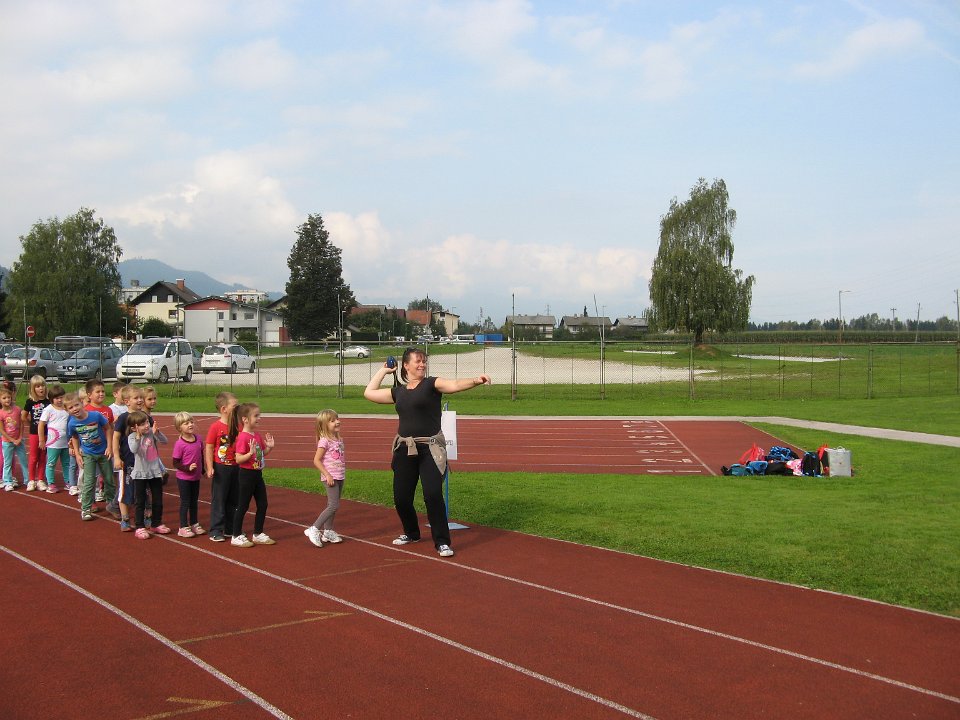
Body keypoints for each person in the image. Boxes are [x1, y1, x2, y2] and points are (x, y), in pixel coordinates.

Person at [364, 347, 490, 558]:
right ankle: (411, 533)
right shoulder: (398, 392)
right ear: (406, 365)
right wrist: (384, 370)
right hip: (405, 449)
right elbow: (369, 393)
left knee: (432, 494)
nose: (422, 364)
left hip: (430, 449)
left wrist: (476, 380)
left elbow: (454, 384)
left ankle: (442, 542)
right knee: (401, 498)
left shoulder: (432, 384)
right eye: (418, 361)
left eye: (424, 361)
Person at [229, 402, 275, 548]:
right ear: (245, 419)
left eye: (259, 415)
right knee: (243, 505)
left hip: (257, 475)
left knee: (263, 504)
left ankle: (258, 533)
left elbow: (261, 454)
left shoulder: (257, 435)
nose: (259, 418)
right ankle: (236, 535)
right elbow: (238, 459)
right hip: (246, 475)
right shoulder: (243, 437)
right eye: (256, 416)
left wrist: (269, 448)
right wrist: (249, 454)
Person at [65, 392, 117, 521]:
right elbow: (74, 437)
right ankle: (86, 508)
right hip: (88, 454)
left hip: (103, 452)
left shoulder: (95, 415)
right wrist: (77, 454)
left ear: (82, 403)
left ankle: (112, 505)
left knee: (109, 480)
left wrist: (109, 447)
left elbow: (108, 428)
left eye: (76, 405)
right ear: (67, 410)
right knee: (89, 482)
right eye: (70, 407)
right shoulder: (72, 423)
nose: (75, 409)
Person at [304, 409, 346, 547]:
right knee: (334, 505)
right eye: (332, 421)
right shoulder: (324, 441)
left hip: (339, 476)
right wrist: (327, 474)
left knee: (332, 505)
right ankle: (314, 529)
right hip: (330, 477)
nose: (337, 422)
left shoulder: (338, 439)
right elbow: (316, 460)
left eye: (337, 419)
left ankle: (327, 531)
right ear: (324, 425)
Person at [126, 410, 169, 539]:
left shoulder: (151, 432)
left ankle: (156, 523)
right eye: (142, 424)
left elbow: (165, 441)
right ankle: (139, 526)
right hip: (141, 473)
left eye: (146, 422)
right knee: (140, 501)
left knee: (158, 499)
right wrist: (139, 437)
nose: (146, 426)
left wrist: (157, 433)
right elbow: (134, 449)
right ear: (134, 428)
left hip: (154, 471)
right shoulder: (132, 437)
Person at [204, 392, 238, 543]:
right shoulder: (216, 427)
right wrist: (210, 466)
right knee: (219, 498)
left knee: (234, 499)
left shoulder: (238, 425)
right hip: (221, 467)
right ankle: (216, 529)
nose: (237, 408)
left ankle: (230, 528)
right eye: (234, 406)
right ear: (224, 409)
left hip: (236, 466)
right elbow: (209, 447)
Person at [112, 386, 147, 532]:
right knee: (125, 491)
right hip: (127, 461)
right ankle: (125, 518)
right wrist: (116, 457)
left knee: (143, 491)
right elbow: (116, 437)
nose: (140, 400)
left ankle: (145, 516)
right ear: (127, 401)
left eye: (141, 397)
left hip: (144, 462)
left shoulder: (145, 417)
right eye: (136, 398)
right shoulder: (123, 418)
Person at [171, 411, 205, 538]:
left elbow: (201, 455)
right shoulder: (180, 444)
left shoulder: (198, 439)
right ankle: (183, 526)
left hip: (196, 477)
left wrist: (203, 470)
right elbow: (175, 463)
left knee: (194, 501)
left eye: (191, 422)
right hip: (184, 478)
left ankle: (194, 523)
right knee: (185, 501)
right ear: (179, 427)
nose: (190, 425)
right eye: (186, 423)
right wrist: (187, 468)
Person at [38, 384, 70, 493]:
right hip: (53, 443)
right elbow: (41, 424)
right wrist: (42, 440)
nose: (59, 400)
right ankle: (51, 483)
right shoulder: (49, 409)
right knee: (51, 463)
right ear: (51, 399)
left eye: (61, 397)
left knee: (66, 463)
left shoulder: (67, 408)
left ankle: (68, 482)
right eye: (57, 398)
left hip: (66, 442)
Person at [23, 375, 50, 491]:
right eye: (37, 386)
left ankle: (40, 479)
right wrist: (32, 423)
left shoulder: (48, 401)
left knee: (43, 457)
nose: (41, 388)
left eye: (42, 385)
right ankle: (31, 480)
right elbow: (24, 416)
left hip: (47, 433)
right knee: (34, 457)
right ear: (33, 389)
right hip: (34, 433)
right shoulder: (30, 402)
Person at [0, 386, 28, 491]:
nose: (7, 399)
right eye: (4, 398)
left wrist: (20, 437)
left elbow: (21, 424)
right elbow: (2, 430)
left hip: (19, 441)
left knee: (23, 461)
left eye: (8, 397)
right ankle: (7, 481)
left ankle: (28, 480)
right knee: (7, 462)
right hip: (7, 442)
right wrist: (12, 440)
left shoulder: (17, 410)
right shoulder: (1, 413)